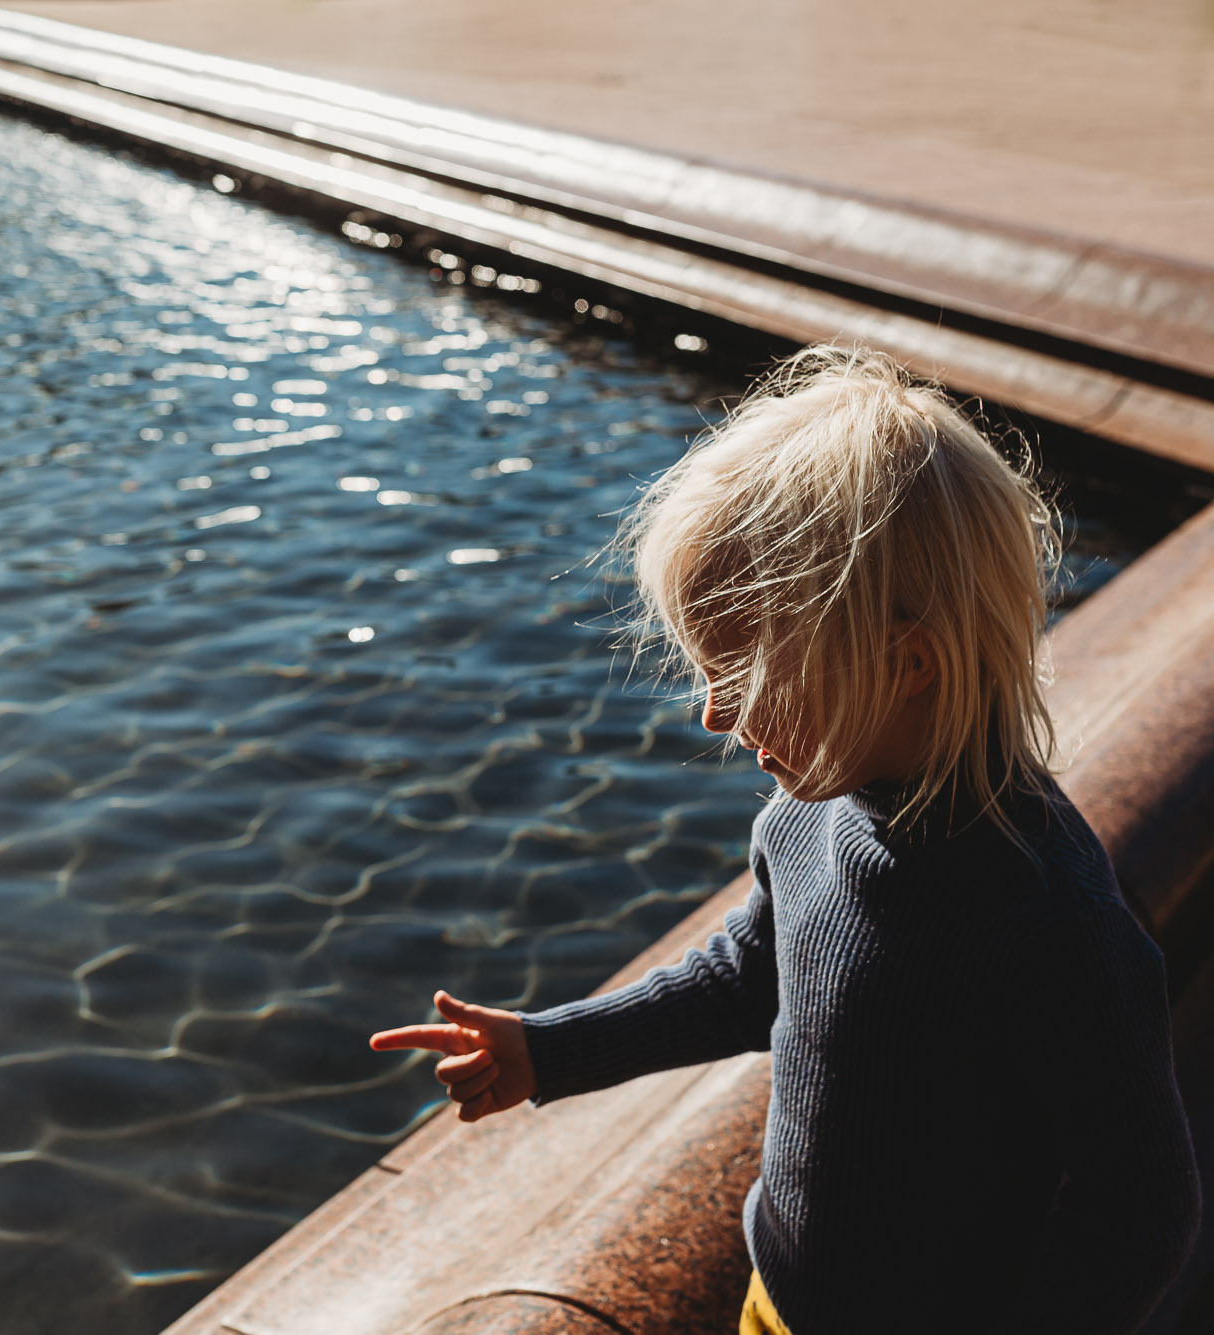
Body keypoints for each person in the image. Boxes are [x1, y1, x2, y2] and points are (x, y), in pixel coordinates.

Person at [369, 346, 1201, 1335]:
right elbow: (752, 971)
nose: (717, 716)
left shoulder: (1045, 920)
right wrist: (550, 1051)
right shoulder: (805, 817)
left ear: (906, 664)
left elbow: (1138, 1207)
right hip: (781, 1293)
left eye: (748, 678)